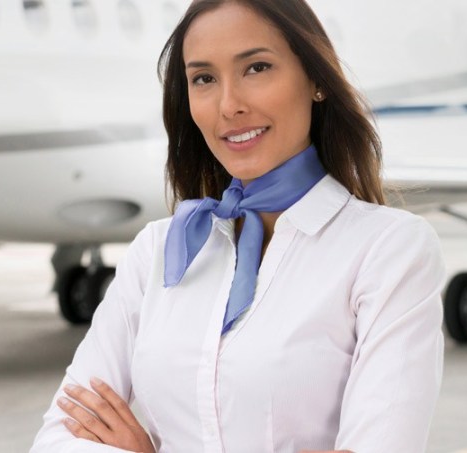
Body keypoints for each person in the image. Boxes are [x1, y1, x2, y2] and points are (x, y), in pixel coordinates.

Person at [31, 0, 445, 451]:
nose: (229, 105)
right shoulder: (157, 250)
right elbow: (61, 438)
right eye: (204, 79)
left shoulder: (388, 250)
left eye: (257, 68)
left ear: (315, 80)